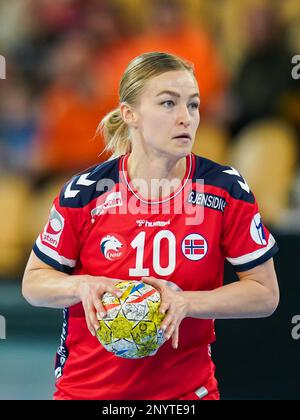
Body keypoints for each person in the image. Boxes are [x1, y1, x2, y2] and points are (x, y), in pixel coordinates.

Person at [22, 52, 279, 400]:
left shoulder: (224, 189)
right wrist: (83, 285)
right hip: (88, 392)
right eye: (168, 103)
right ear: (130, 114)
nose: (185, 118)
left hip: (186, 394)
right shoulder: (85, 193)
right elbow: (33, 284)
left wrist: (187, 303)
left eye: (193, 105)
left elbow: (265, 294)